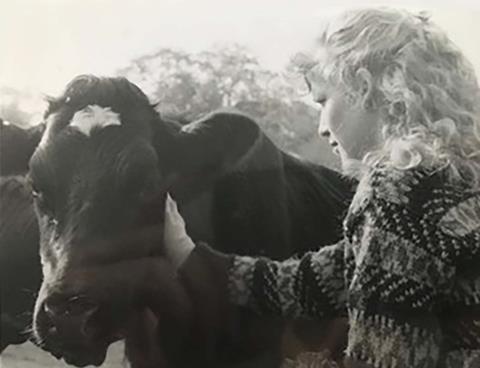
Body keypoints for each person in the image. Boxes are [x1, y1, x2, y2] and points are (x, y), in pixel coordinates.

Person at [163, 7, 480, 368]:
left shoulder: (400, 191)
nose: (321, 127)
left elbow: (386, 360)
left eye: (323, 101)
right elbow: (313, 282)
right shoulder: (458, 182)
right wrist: (190, 257)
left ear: (363, 87)